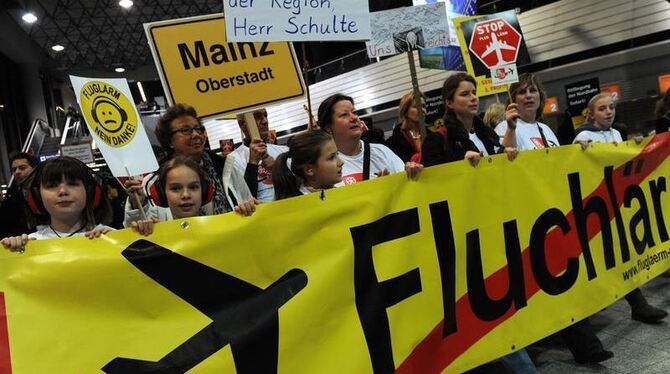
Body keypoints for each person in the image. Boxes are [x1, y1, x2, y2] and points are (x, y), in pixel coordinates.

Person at [498, 73, 613, 365]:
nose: (528, 96)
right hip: (526, 215)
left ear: (540, 96)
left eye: (533, 91)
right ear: (513, 99)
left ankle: (585, 345)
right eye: (522, 92)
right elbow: (502, 159)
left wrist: (578, 154)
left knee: (559, 280)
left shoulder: (545, 130)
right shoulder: (505, 126)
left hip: (550, 213)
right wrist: (510, 129)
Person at [574, 93, 668, 323]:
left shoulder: (616, 132)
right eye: (603, 108)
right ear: (591, 113)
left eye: (611, 107)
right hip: (599, 202)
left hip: (620, 200)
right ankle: (636, 304)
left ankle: (636, 303)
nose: (609, 112)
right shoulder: (584, 136)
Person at [125, 104, 252, 217]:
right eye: (186, 130)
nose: (196, 135)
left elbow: (247, 200)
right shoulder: (153, 182)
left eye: (198, 129)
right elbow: (145, 229)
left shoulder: (226, 166)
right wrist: (137, 207)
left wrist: (250, 209)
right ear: (169, 141)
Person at [1, 156, 115, 251]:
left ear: (90, 191)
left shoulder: (110, 235)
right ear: (36, 196)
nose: (63, 191)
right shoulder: (28, 244)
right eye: (51, 186)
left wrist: (118, 244)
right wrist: (12, 253)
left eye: (73, 184)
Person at [126, 156, 259, 236]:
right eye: (175, 188)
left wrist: (252, 217)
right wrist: (142, 237)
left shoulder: (225, 227)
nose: (185, 195)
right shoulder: (154, 231)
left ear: (205, 192)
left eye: (193, 187)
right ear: (161, 194)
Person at [317, 93, 422, 186]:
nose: (354, 118)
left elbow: (407, 186)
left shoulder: (382, 152)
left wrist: (411, 171)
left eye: (354, 112)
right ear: (328, 127)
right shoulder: (325, 165)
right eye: (344, 115)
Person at [422, 73, 518, 167]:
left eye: (474, 93)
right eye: (465, 94)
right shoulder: (436, 140)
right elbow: (434, 180)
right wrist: (462, 165)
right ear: (449, 103)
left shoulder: (487, 133)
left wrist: (505, 153)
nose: (473, 98)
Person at [229, 108, 288, 203]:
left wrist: (277, 169)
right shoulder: (232, 160)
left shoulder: (283, 150)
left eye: (265, 115)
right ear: (242, 124)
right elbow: (243, 199)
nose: (265, 121)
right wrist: (253, 163)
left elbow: (295, 188)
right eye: (257, 117)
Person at [272, 130, 343, 200]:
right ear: (309, 170)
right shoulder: (298, 205)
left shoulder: (343, 192)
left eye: (337, 154)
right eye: (331, 157)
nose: (341, 162)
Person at [0, 152, 37, 238]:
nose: (17, 172)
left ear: (34, 168)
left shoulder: (47, 191)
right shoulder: (12, 194)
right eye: (14, 169)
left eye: (22, 168)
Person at [386, 90, 426, 162]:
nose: (422, 110)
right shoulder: (394, 142)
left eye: (423, 106)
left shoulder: (431, 135)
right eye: (416, 106)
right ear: (405, 111)